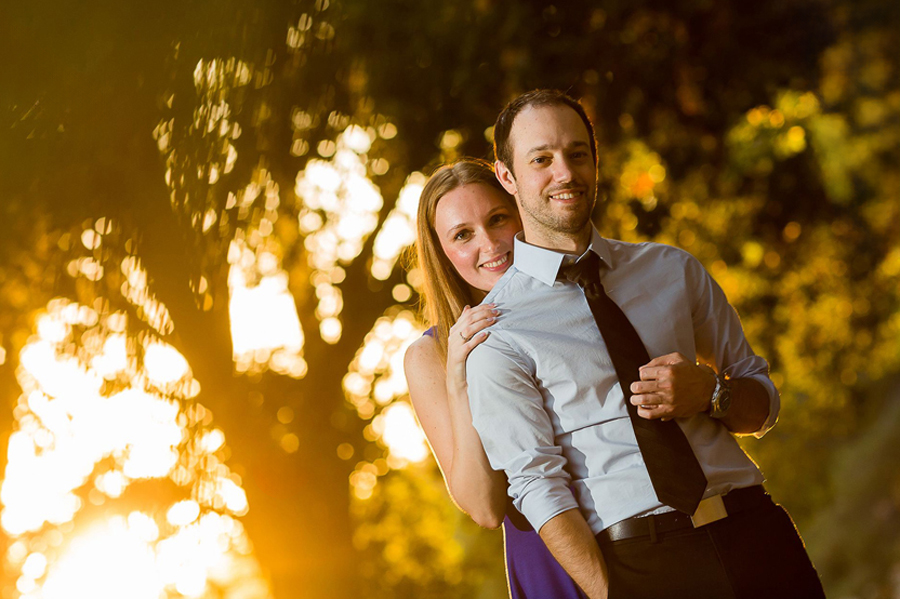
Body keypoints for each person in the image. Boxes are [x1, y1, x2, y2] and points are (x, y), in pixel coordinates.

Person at [465, 90, 825, 599]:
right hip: (642, 564)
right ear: (507, 177)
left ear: (596, 160)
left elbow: (762, 404)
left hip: (755, 533)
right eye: (541, 159)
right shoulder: (499, 333)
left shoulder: (672, 269)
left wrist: (712, 394)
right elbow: (538, 488)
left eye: (577, 154)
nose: (565, 173)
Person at [404, 158, 587, 598]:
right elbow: (484, 507)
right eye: (462, 234)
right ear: (442, 252)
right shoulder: (430, 355)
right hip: (550, 558)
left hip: (646, 530)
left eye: (497, 219)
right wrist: (458, 379)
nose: (489, 244)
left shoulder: (585, 293)